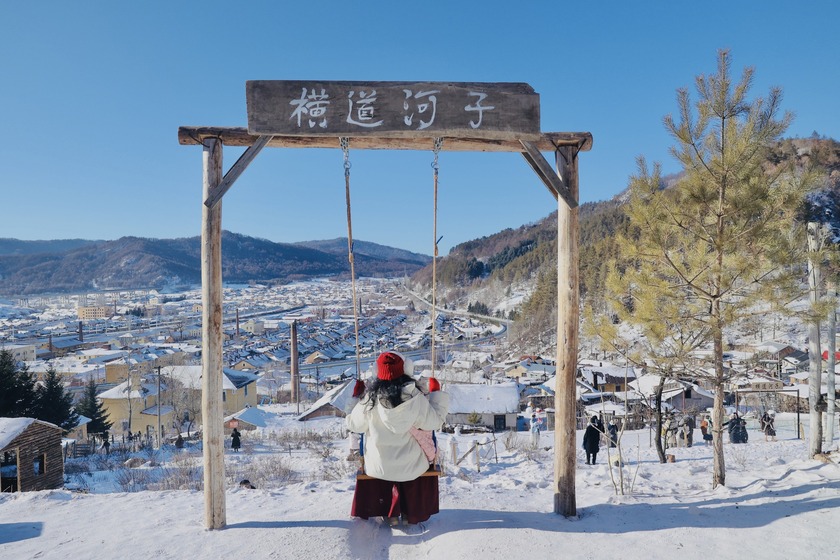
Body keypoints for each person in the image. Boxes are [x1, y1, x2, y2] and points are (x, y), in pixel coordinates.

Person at [346, 351, 450, 527]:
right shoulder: (416, 399)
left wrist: (355, 399)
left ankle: (390, 514)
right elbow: (435, 422)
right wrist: (436, 395)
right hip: (413, 467)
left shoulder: (369, 401)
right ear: (406, 370)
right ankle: (409, 513)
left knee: (382, 466)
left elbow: (354, 425)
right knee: (414, 466)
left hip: (378, 467)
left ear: (376, 372)